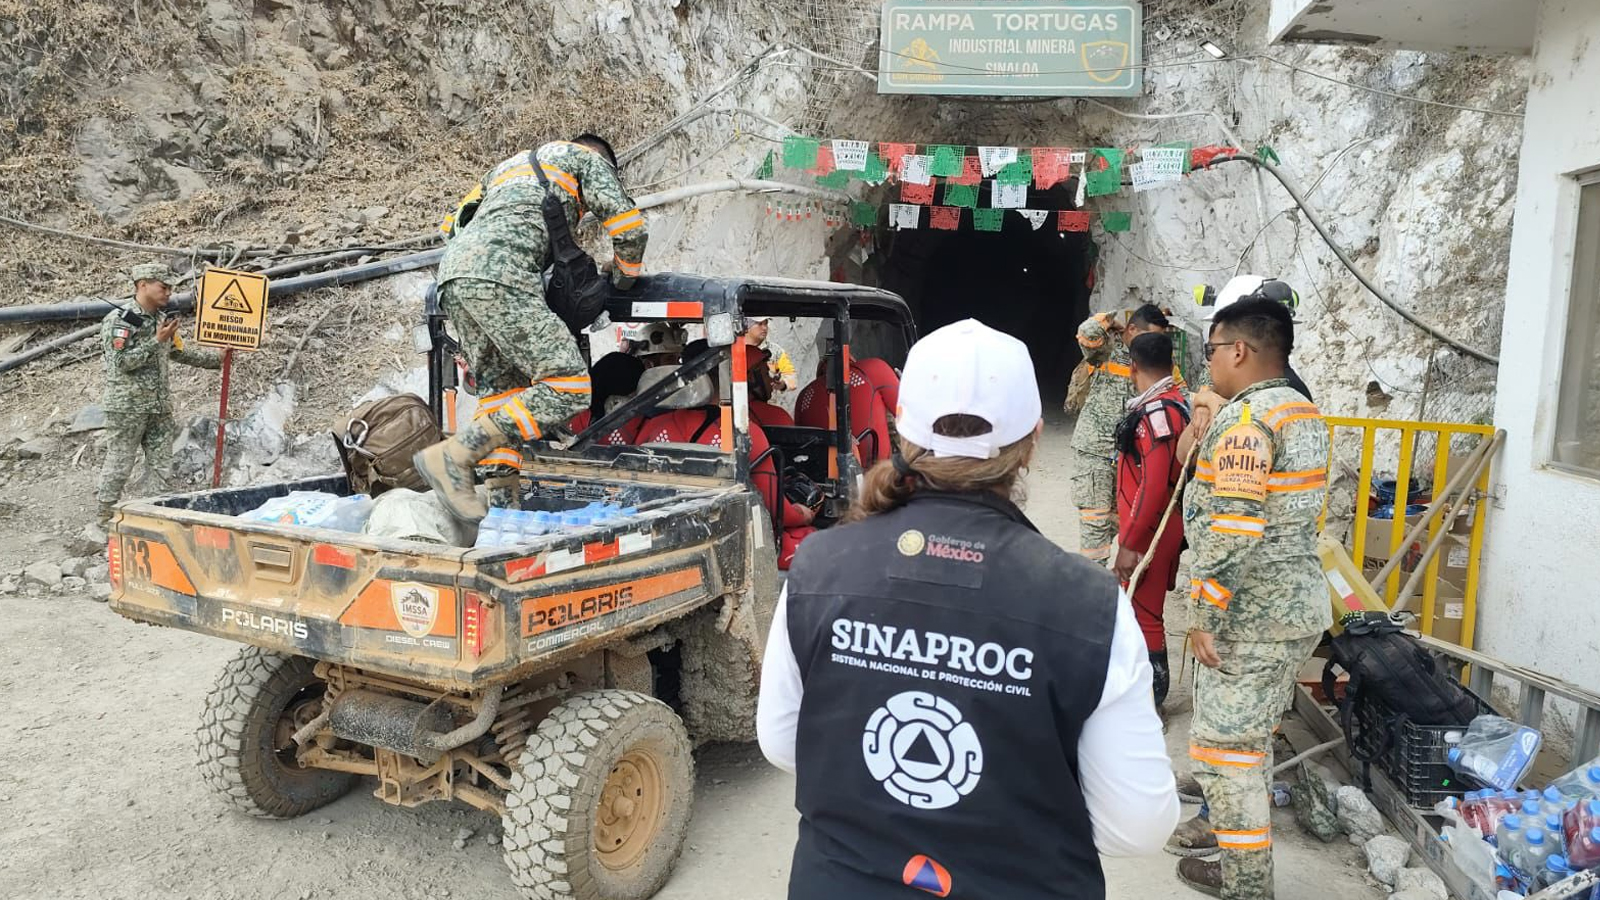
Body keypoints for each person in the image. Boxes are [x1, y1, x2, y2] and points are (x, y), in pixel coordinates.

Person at [757, 319, 1178, 900]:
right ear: (1033, 440)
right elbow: (1138, 824)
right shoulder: (1091, 604)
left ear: (903, 430)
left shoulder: (818, 566)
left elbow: (783, 742)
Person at [1170, 296, 1331, 899]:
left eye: (1210, 349)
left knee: (1224, 754)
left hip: (1249, 617)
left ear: (1238, 349)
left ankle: (1245, 885)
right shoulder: (1301, 411)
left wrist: (1204, 614)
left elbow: (1233, 528)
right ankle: (1241, 866)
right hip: (1293, 609)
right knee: (1251, 743)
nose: (1207, 362)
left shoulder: (1247, 424)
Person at [415, 134, 647, 520]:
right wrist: (623, 277)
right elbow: (630, 229)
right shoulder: (586, 159)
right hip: (502, 275)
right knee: (569, 386)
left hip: (453, 277)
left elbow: (452, 225)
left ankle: (503, 514)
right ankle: (455, 455)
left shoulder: (506, 169)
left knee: (502, 396)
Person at [96, 263, 222, 525]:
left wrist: (217, 359)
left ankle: (154, 516)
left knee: (161, 465)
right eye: (163, 287)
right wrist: (156, 341)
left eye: (170, 288)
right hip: (127, 407)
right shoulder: (120, 320)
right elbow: (121, 362)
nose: (169, 292)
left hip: (159, 406)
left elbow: (177, 352)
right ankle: (104, 518)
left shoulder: (160, 320)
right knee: (120, 463)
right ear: (143, 285)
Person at [1112, 332, 1191, 709]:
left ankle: (1150, 699)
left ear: (1133, 366)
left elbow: (1154, 485)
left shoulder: (1156, 414)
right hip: (1157, 523)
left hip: (1152, 528)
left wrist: (1130, 542)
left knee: (1144, 613)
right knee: (1141, 609)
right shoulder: (1176, 402)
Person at [1070, 304, 1181, 562]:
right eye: (1148, 336)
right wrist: (1110, 320)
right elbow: (1087, 332)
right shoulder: (1106, 349)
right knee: (1095, 524)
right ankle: (1093, 579)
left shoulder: (1156, 360)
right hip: (1094, 452)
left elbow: (1180, 396)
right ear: (1131, 329)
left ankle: (1113, 580)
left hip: (1129, 455)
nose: (1153, 343)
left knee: (1123, 521)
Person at [744, 315, 795, 392]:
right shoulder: (734, 350)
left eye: (766, 323)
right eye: (760, 324)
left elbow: (791, 377)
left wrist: (783, 384)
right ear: (747, 325)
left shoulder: (776, 351)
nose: (765, 328)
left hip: (767, 398)